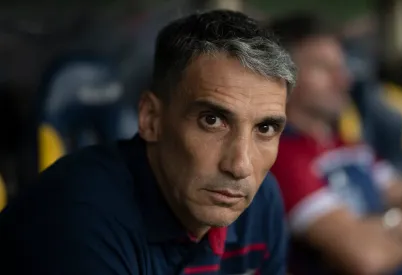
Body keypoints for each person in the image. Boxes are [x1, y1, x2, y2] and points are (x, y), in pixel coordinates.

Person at [0, 10, 295, 275]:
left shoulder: (261, 202)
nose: (240, 165)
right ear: (151, 118)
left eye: (265, 127)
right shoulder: (79, 220)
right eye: (212, 120)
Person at [268, 14, 402, 275]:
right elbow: (366, 259)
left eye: (341, 68)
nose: (343, 80)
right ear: (283, 78)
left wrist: (382, 228)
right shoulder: (283, 154)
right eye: (324, 68)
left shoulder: (351, 146)